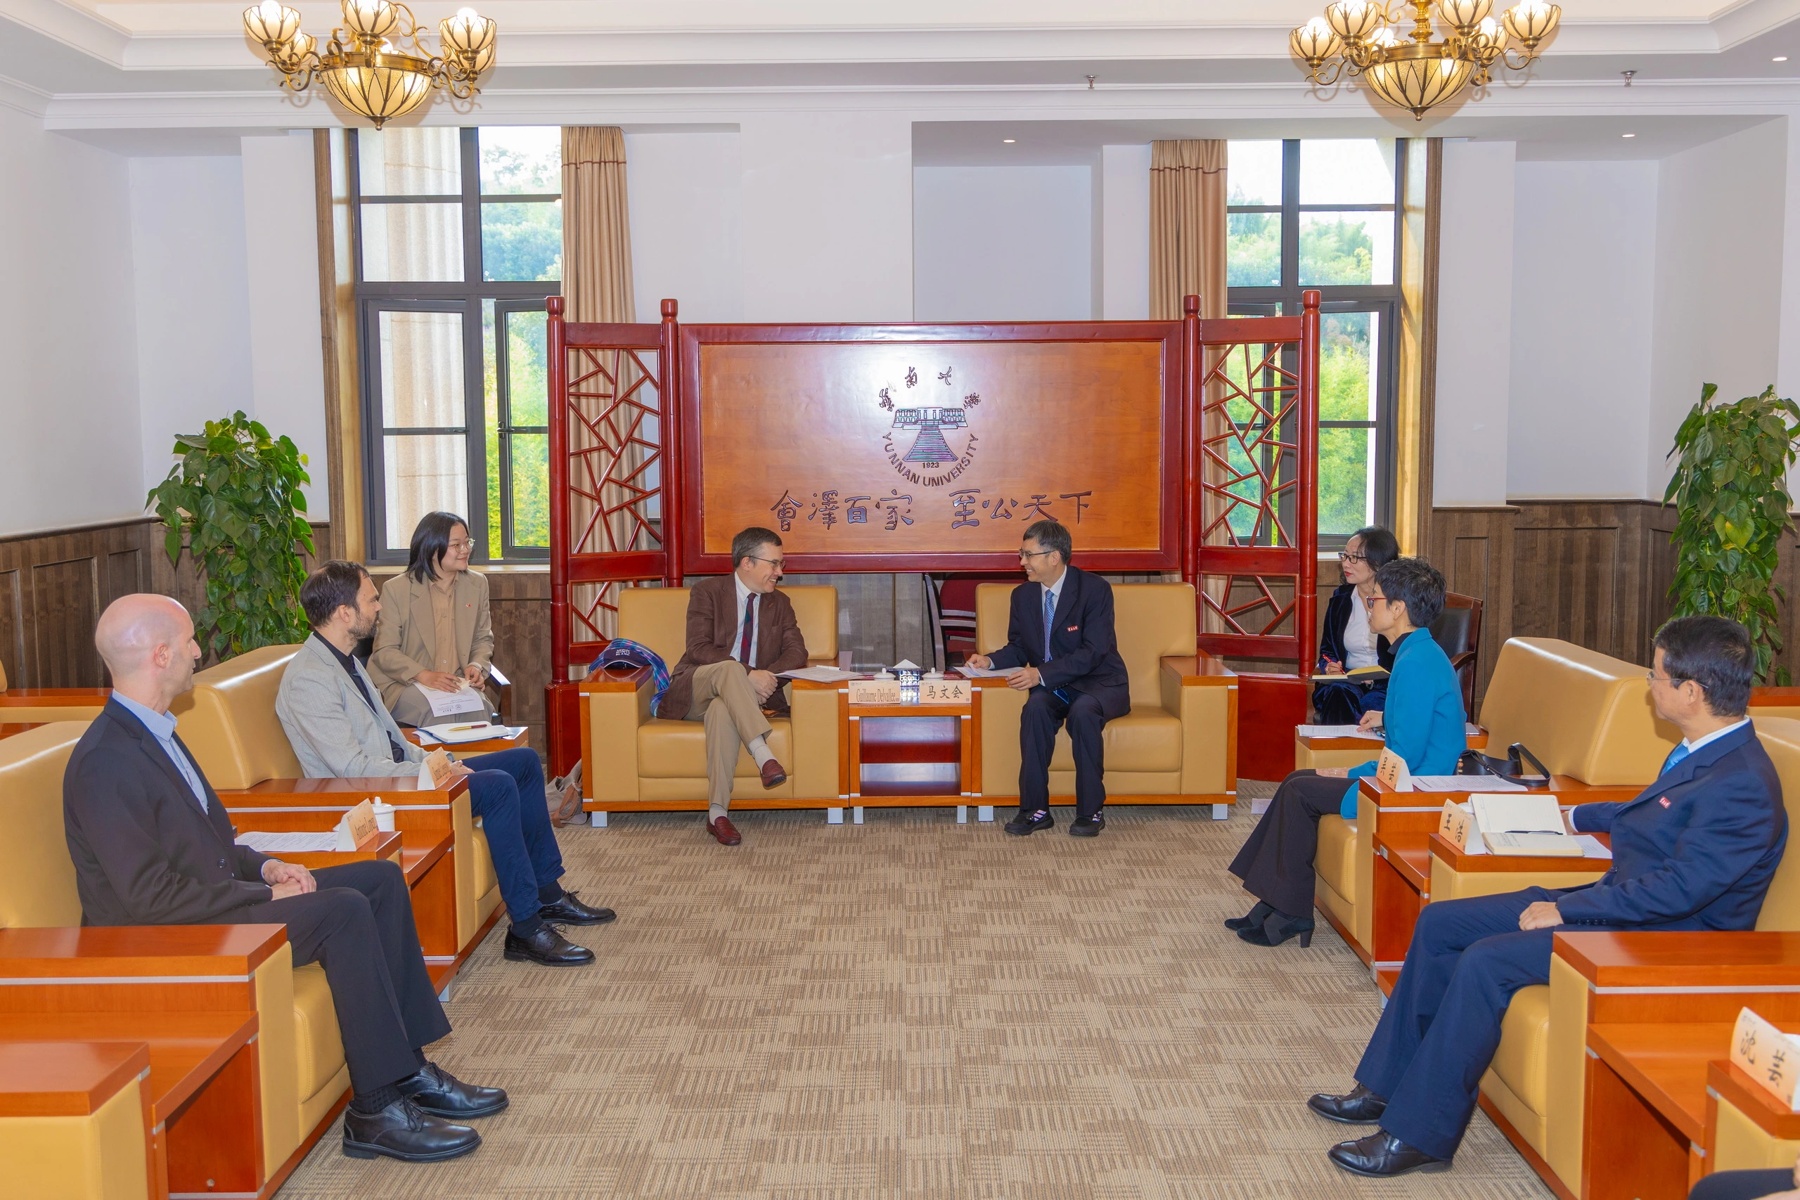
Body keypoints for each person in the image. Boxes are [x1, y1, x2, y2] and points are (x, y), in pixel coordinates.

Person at [1311, 615, 1787, 1178]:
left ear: (1692, 691)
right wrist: (1572, 814)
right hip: (1621, 905)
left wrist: (1566, 908)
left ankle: (1419, 1136)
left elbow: (1680, 891)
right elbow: (1656, 813)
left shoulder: (1743, 784)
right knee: (1441, 923)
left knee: (1486, 961)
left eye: (1655, 676)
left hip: (1661, 942)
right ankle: (1385, 1087)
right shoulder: (1703, 752)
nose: (1649, 686)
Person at [64, 594, 506, 1163]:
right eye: (190, 641)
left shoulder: (156, 733)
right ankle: (374, 1111)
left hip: (207, 904)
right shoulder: (106, 761)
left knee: (378, 880)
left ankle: (409, 1069)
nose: (198, 652)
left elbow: (212, 843)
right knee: (342, 911)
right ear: (160, 654)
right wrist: (260, 891)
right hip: (164, 937)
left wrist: (265, 864)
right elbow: (149, 898)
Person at [275, 561, 613, 968]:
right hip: (374, 797)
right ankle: (525, 927)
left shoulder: (345, 660)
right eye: (371, 600)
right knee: (498, 786)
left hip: (398, 777)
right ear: (344, 612)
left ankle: (548, 893)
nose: (378, 608)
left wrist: (443, 763)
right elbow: (353, 768)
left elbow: (395, 741)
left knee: (524, 762)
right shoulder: (310, 678)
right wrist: (431, 774)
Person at [1227, 557, 1465, 947]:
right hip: (1407, 776)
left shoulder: (1416, 662)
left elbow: (1405, 759)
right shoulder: (1417, 653)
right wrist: (1382, 725)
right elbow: (1415, 729)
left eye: (1375, 599)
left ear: (1398, 609)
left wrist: (1353, 773)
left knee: (1300, 790)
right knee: (1298, 781)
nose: (1369, 605)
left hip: (1414, 790)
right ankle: (1276, 905)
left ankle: (1288, 911)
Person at [966, 519, 1130, 838]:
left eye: (1028, 555)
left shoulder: (1094, 590)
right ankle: (1035, 809)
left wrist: (1040, 673)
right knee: (1034, 710)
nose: (1022, 562)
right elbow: (1019, 647)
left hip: (1098, 682)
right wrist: (989, 660)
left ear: (1054, 556)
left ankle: (1091, 811)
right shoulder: (1023, 596)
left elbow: (1094, 651)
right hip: (1054, 686)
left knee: (1083, 713)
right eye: (1021, 554)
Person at [658, 526, 808, 846]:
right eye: (774, 563)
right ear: (747, 562)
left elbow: (797, 653)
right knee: (729, 669)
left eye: (781, 564)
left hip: (739, 700)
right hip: (697, 687)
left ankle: (717, 814)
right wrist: (748, 674)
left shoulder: (780, 603)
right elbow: (698, 648)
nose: (780, 572)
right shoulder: (708, 592)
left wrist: (763, 679)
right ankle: (763, 754)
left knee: (722, 709)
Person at [368, 511, 497, 728]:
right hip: (406, 683)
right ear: (432, 548)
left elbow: (483, 639)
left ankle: (475, 754)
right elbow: (384, 651)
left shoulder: (477, 584)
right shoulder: (397, 589)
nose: (465, 550)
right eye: (456, 545)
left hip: (456, 683)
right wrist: (424, 675)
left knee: (478, 711)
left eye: (467, 542)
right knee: (438, 715)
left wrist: (476, 665)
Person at [1314, 526, 1401, 724]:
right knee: (1338, 693)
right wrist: (1330, 666)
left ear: (1377, 562)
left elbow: (1406, 649)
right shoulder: (1341, 599)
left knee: (1372, 703)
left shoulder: (1397, 602)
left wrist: (1376, 675)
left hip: (1386, 685)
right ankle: (1341, 744)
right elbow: (1327, 651)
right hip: (1347, 682)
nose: (1346, 563)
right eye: (1344, 556)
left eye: (1354, 557)